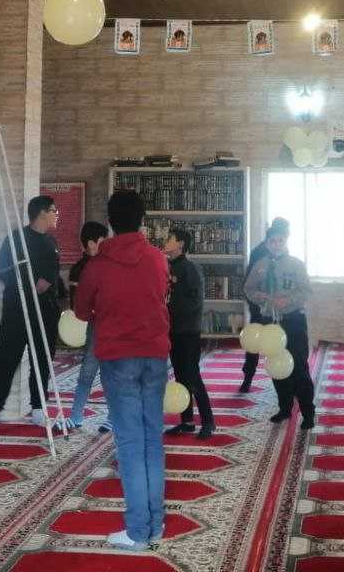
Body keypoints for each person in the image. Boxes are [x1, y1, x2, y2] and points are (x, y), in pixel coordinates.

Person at [74, 190, 171, 550]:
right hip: (155, 356)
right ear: (142, 220)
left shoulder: (99, 264)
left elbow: (81, 311)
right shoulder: (158, 259)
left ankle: (138, 530)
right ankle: (155, 523)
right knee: (152, 439)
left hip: (118, 359)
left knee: (130, 442)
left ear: (111, 222)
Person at [0, 196, 62, 431]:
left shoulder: (51, 241)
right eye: (53, 210)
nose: (56, 215)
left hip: (45, 312)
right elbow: (1, 269)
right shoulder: (16, 239)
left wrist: (48, 282)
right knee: (7, 359)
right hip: (17, 309)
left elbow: (54, 271)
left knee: (41, 360)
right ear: (41, 213)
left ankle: (38, 409)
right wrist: (30, 284)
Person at [245, 224, 315, 430]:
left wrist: (288, 300)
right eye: (272, 241)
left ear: (286, 241)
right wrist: (260, 297)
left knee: (299, 367)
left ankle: (308, 413)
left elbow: (306, 291)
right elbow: (249, 288)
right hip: (270, 323)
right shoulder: (260, 265)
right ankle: (284, 408)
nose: (276, 245)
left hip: (293, 321)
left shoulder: (296, 265)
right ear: (267, 244)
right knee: (277, 366)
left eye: (280, 241)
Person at [163, 227, 215, 439]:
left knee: (192, 376)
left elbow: (195, 301)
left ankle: (208, 421)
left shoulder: (190, 268)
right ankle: (187, 421)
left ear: (180, 244)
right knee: (180, 376)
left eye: (170, 238)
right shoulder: (167, 266)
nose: (166, 241)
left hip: (188, 331)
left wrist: (170, 310)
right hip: (172, 330)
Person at [68, 220, 111, 431]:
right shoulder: (79, 269)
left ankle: (113, 416)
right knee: (88, 371)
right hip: (95, 326)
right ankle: (76, 415)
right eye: (103, 240)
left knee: (110, 374)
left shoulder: (111, 264)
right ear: (92, 243)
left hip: (112, 325)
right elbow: (76, 303)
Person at [239, 218, 289, 392]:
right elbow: (250, 283)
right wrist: (258, 303)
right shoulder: (261, 252)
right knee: (256, 342)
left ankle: (252, 379)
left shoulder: (281, 252)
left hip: (277, 307)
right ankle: (249, 378)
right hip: (262, 306)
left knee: (264, 343)